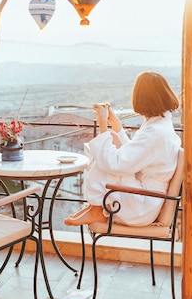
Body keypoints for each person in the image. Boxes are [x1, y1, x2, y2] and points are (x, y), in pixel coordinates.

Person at [64, 71, 181, 227]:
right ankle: (94, 207)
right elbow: (136, 155)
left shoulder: (154, 133)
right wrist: (117, 127)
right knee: (110, 142)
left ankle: (96, 210)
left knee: (104, 160)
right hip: (146, 198)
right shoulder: (160, 125)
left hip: (141, 206)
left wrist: (102, 124)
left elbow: (118, 164)